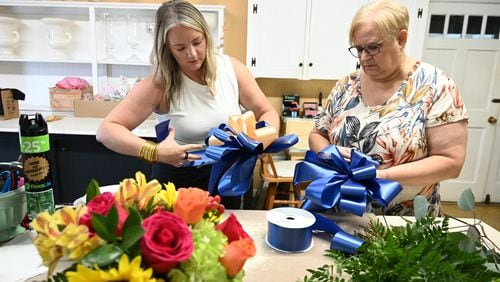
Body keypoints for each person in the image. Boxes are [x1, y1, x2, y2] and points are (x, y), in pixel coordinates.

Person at [96, 0, 279, 208]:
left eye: (197, 42)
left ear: (206, 36)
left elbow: (266, 111)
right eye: (180, 48)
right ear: (167, 49)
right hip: (177, 187)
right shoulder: (159, 83)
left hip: (226, 182)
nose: (192, 54)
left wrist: (260, 140)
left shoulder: (232, 70)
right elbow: (106, 130)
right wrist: (153, 151)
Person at [309, 0, 468, 216]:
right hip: (342, 215)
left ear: (401, 39)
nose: (364, 58)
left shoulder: (436, 86)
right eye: (358, 49)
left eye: (373, 47)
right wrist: (329, 152)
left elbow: (451, 162)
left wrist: (381, 176)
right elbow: (318, 134)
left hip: (406, 228)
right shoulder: (346, 85)